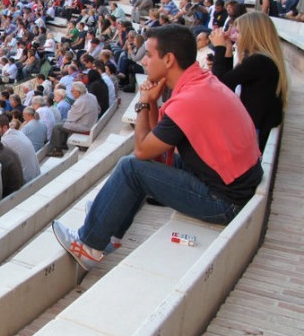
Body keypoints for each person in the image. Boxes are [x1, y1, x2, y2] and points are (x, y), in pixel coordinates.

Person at [53, 25, 263, 271]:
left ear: (168, 59)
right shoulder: (200, 83)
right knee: (138, 166)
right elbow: (158, 148)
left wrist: (143, 103)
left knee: (131, 167)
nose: (143, 60)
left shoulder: (189, 99)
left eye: (149, 55)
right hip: (231, 183)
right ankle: (108, 229)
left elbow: (142, 151)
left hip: (225, 201)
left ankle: (88, 246)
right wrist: (151, 103)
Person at [210, 11, 288, 152]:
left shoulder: (259, 61)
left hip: (256, 135)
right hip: (255, 128)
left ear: (252, 34)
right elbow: (229, 82)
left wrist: (219, 49)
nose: (234, 37)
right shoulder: (261, 59)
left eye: (238, 32)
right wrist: (227, 49)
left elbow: (219, 84)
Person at [49, 82, 101, 155]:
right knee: (63, 122)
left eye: (72, 91)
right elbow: (99, 110)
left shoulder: (79, 102)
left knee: (56, 127)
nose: (71, 92)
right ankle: (63, 144)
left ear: (77, 92)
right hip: (92, 122)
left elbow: (70, 118)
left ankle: (58, 150)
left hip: (84, 126)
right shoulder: (92, 96)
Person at [0, 113, 41, 182]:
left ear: (5, 128)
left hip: (26, 181)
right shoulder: (17, 132)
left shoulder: (4, 141)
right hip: (35, 175)